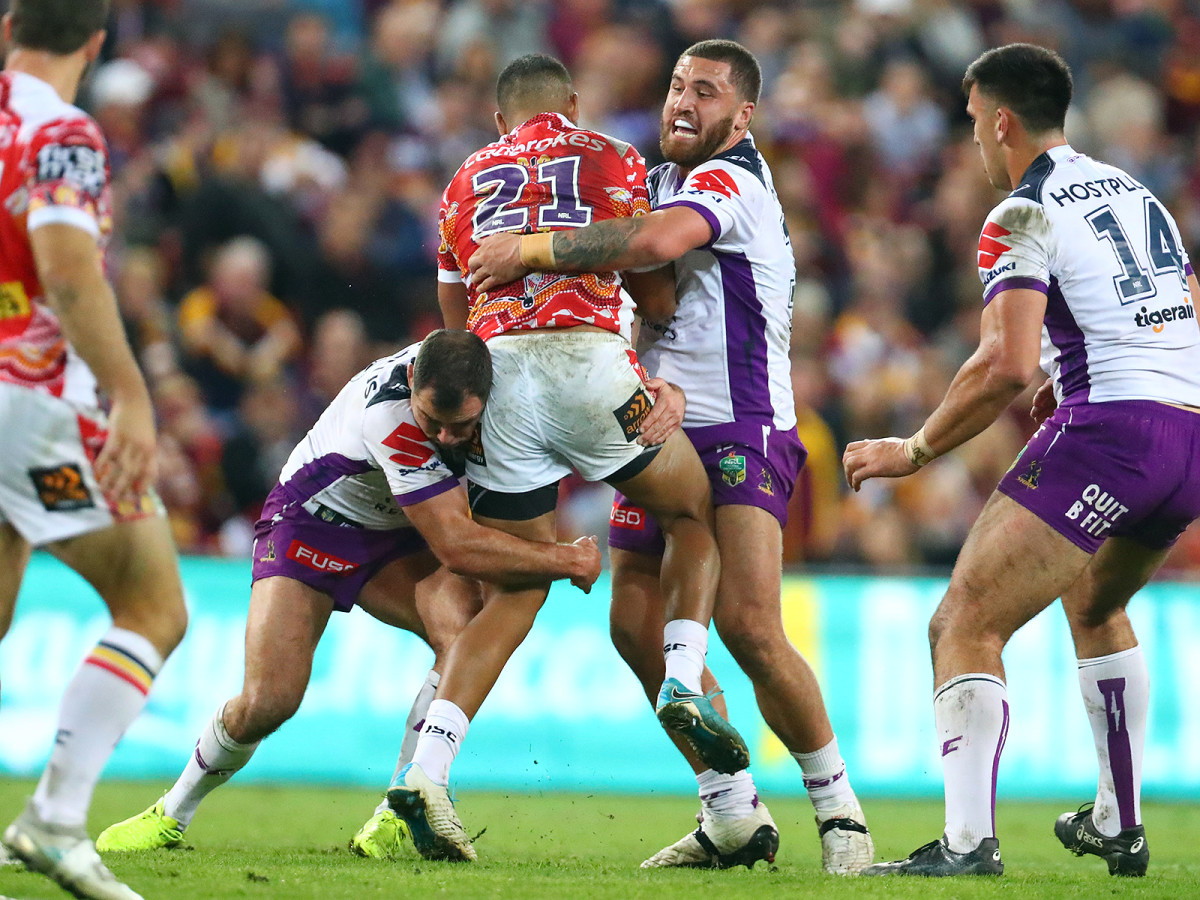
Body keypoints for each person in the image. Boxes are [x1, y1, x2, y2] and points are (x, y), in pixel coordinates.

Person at [468, 40, 873, 874]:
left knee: (752, 626)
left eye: (709, 91)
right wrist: (650, 374)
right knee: (631, 624)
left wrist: (530, 247)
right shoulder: (655, 180)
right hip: (660, 421)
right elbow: (640, 295)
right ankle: (730, 813)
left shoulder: (732, 182)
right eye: (678, 85)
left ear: (744, 114)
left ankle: (842, 819)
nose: (683, 102)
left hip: (743, 423)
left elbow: (653, 247)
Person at [378, 53, 748, 864]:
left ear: (499, 120)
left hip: (499, 374)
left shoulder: (463, 182)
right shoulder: (612, 155)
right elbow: (653, 292)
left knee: (513, 588)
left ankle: (428, 770)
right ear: (573, 104)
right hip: (589, 364)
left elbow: (455, 330)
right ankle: (683, 672)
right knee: (690, 514)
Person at [842, 42, 1200, 877]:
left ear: (1001, 121)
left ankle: (967, 845)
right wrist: (1068, 370)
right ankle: (1121, 821)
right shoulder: (1134, 190)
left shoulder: (1020, 211)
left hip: (1110, 431)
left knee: (964, 617)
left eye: (972, 123)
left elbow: (1000, 363)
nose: (971, 141)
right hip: (1187, 433)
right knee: (1096, 603)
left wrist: (915, 448)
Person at [92, 331, 602, 857]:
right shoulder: (389, 415)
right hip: (312, 524)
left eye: (463, 425)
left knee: (463, 632)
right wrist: (565, 558)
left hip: (398, 532)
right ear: (412, 386)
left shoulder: (485, 386)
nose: (448, 437)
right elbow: (457, 547)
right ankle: (172, 811)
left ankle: (400, 811)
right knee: (269, 702)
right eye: (435, 421)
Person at [0, 3, 190, 899]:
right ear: (96, 42)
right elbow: (69, 270)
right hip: (29, 397)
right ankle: (54, 818)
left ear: (8, 26)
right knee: (154, 607)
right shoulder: (62, 132)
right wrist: (133, 398)